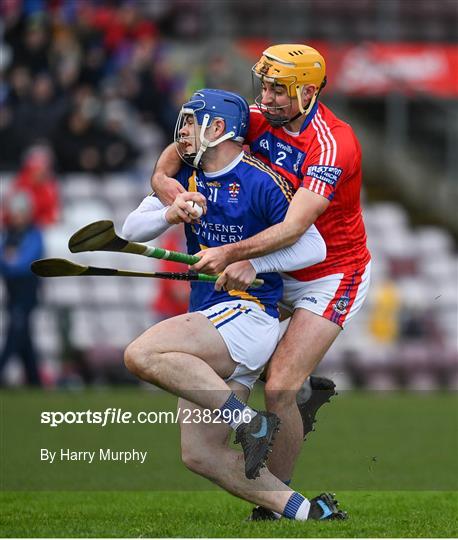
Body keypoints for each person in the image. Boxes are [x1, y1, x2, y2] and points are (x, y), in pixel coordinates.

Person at [150, 44, 371, 519]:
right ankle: (298, 407)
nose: (265, 97)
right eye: (264, 85)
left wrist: (229, 252)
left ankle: (277, 506)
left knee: (280, 387)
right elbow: (176, 153)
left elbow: (295, 230)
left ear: (308, 92)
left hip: (328, 271)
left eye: (278, 89)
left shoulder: (332, 142)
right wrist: (168, 189)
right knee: (236, 397)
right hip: (271, 266)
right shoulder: (257, 115)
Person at [0, 192, 44, 386]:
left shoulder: (33, 234)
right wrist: (11, 261)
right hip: (13, 293)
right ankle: (34, 379)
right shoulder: (8, 234)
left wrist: (11, 260)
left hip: (27, 294)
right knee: (23, 335)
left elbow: (25, 264)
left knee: (15, 333)